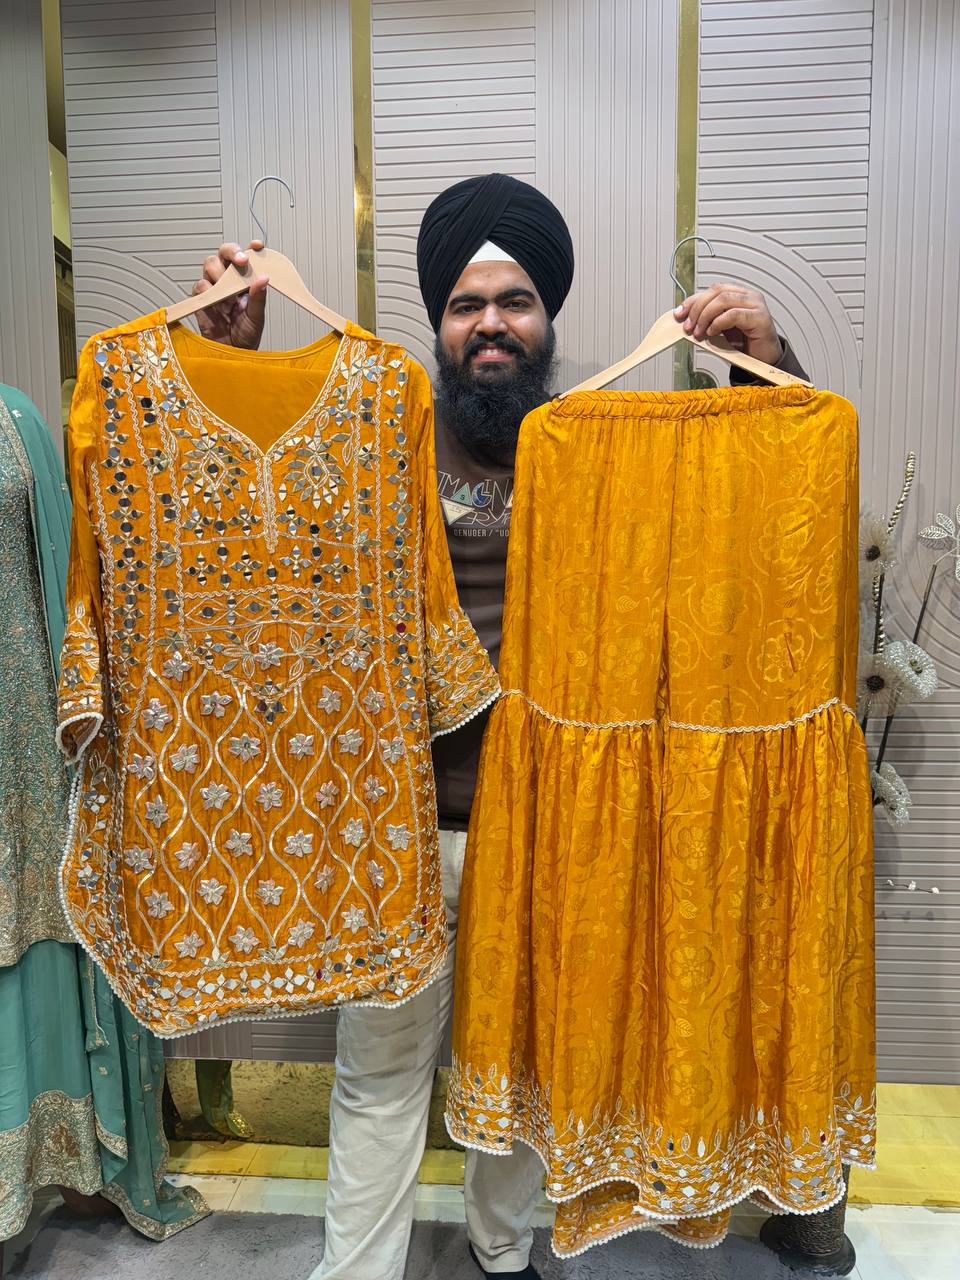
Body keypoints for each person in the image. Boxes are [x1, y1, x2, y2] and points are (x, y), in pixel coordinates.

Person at [191, 172, 809, 1280]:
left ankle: (502, 1251)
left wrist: (764, 365)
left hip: (557, 827)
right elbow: (249, 525)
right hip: (398, 828)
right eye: (466, 303)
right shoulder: (375, 440)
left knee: (529, 1064)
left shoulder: (607, 442)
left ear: (548, 316)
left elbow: (759, 507)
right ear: (437, 321)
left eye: (514, 301)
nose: (490, 323)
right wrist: (232, 365)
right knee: (380, 1072)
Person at [0, 385, 207, 1278]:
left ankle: (72, 1157)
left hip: (19, 731)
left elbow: (64, 574)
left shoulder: (13, 422)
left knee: (44, 924)